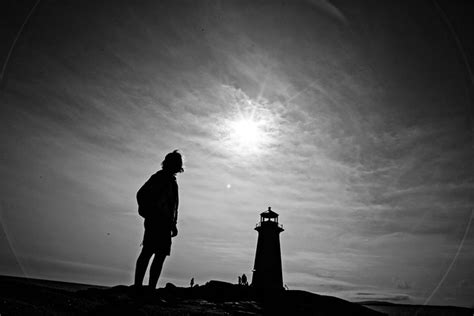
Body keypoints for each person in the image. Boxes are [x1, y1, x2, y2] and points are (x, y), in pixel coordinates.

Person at [134, 150, 184, 289]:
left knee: (160, 255)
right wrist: (148, 212)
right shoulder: (158, 177)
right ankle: (138, 286)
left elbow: (172, 206)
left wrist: (173, 224)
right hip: (155, 221)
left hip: (166, 224)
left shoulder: (173, 183)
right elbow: (141, 194)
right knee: (148, 252)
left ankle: (151, 289)